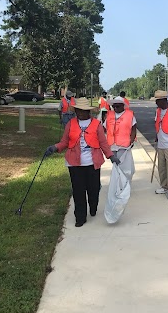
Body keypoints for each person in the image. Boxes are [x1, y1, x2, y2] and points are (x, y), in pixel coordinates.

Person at [46, 97, 120, 227]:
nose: (79, 113)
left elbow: (103, 143)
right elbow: (65, 141)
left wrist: (111, 156)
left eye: (82, 111)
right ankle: (80, 217)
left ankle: (93, 206)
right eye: (77, 110)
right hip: (74, 163)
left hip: (93, 163)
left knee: (94, 189)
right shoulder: (71, 124)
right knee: (78, 191)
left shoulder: (96, 124)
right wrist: (55, 147)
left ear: (88, 112)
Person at [104, 96, 136, 180]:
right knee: (115, 165)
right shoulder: (109, 115)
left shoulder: (129, 115)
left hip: (124, 145)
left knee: (123, 167)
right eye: (113, 106)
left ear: (122, 106)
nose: (115, 108)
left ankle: (124, 185)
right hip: (112, 145)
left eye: (117, 106)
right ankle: (117, 183)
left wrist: (131, 141)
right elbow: (104, 128)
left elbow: (133, 129)